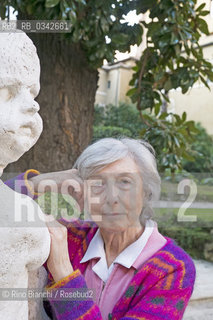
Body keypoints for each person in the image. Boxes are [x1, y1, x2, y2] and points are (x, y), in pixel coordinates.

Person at [6, 137, 196, 320]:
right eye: (98, 184)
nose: (112, 197)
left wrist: (64, 273)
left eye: (125, 182)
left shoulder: (174, 269)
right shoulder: (70, 235)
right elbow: (2, 209)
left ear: (146, 191)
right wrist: (39, 182)